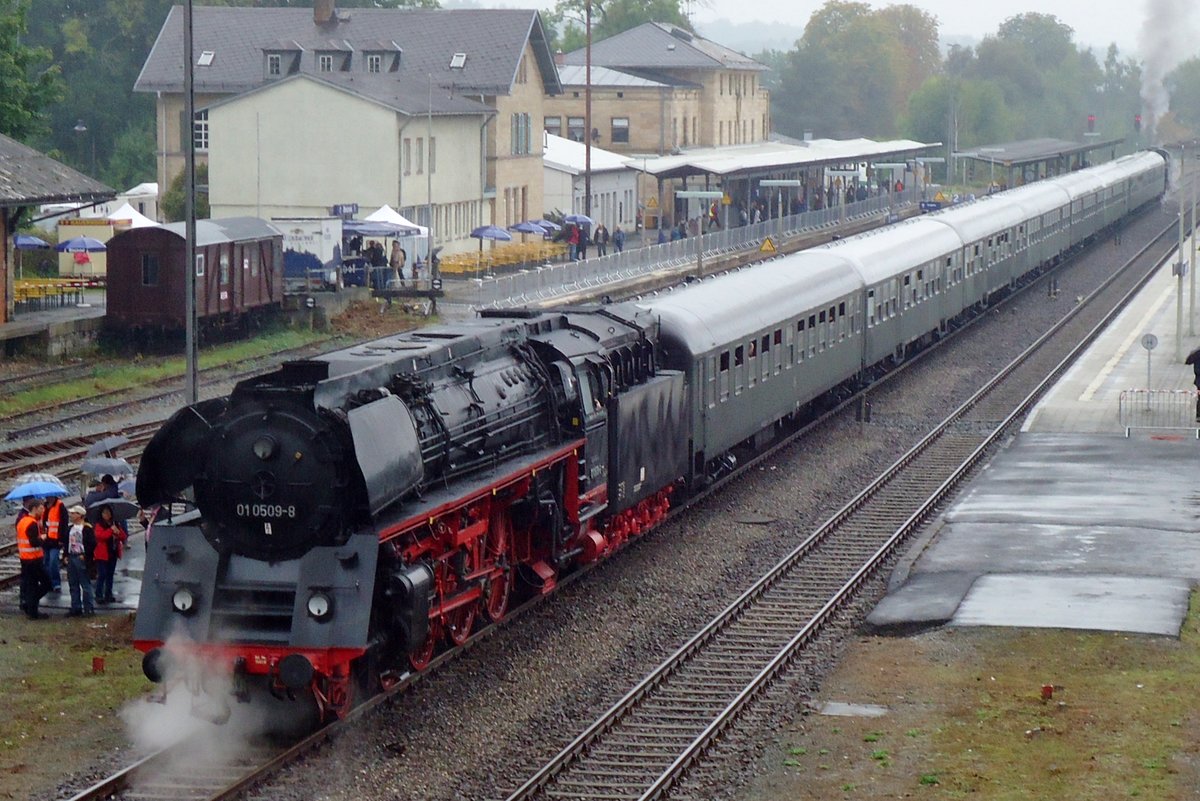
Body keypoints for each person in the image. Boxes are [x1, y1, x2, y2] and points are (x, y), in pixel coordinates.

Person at [16, 498, 52, 620]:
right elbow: (33, 542)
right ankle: (31, 605)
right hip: (34, 559)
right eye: (41, 509)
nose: (43, 511)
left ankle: (32, 610)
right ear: (35, 509)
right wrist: (42, 538)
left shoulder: (22, 521)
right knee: (47, 583)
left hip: (25, 559)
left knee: (31, 585)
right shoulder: (32, 523)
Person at [63, 505, 95, 617]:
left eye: (73, 513)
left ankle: (88, 608)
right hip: (72, 557)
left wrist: (86, 556)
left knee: (85, 584)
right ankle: (75, 607)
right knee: (73, 583)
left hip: (81, 558)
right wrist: (65, 555)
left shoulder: (87, 528)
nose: (71, 515)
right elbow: (66, 543)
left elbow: (92, 544)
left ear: (80, 515)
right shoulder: (70, 528)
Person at [92, 504, 124, 605]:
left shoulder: (115, 524)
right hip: (101, 554)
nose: (107, 514)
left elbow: (123, 536)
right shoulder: (99, 525)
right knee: (102, 574)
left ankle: (108, 594)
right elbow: (100, 536)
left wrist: (117, 532)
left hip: (112, 553)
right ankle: (98, 595)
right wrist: (111, 530)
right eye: (105, 512)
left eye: (108, 512)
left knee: (110, 575)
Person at [41, 494, 67, 593]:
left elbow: (64, 523)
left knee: (53, 562)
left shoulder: (60, 506)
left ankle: (56, 583)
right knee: (46, 562)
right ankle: (49, 583)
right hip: (46, 540)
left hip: (56, 540)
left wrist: (61, 538)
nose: (47, 497)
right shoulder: (44, 506)